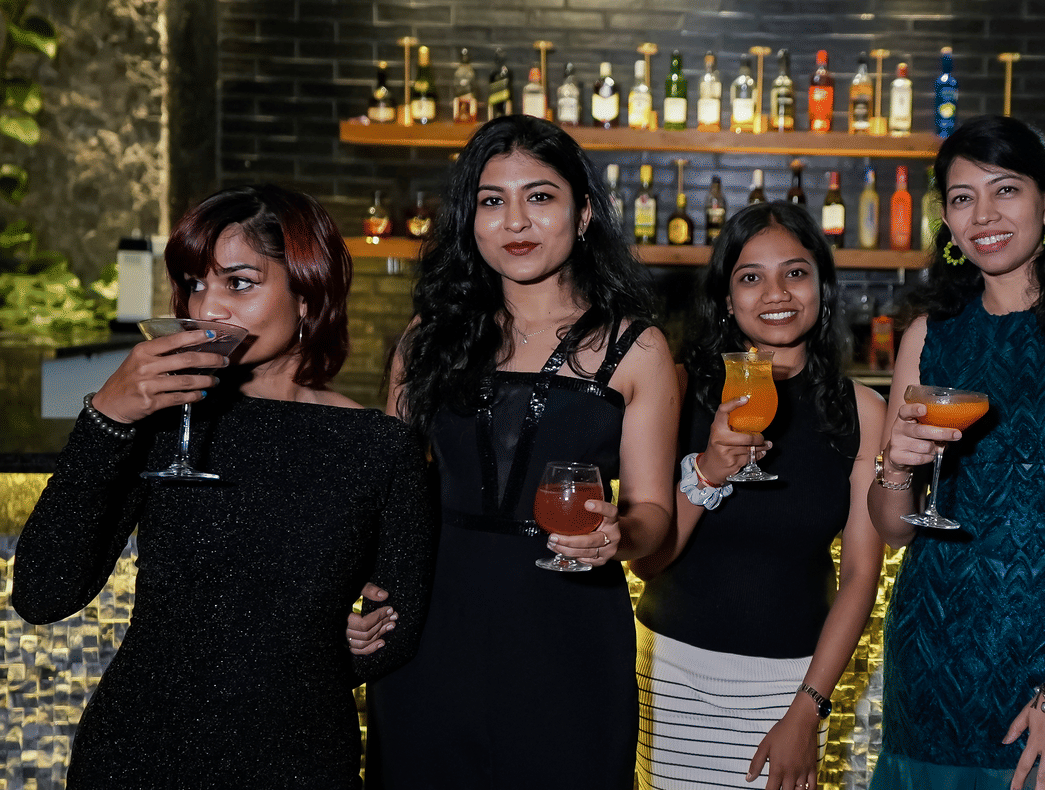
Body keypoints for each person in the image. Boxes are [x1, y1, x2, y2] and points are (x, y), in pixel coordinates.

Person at [10, 185, 432, 788]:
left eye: (239, 283)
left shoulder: (377, 446)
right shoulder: (162, 422)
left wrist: (339, 639)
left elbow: (398, 629)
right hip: (140, 756)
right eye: (193, 283)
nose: (206, 309)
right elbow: (43, 593)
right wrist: (107, 416)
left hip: (299, 761)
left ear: (309, 295)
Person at [356, 114, 677, 790]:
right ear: (470, 221)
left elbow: (654, 513)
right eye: (492, 201)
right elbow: (389, 493)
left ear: (583, 212)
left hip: (568, 632)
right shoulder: (427, 340)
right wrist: (359, 588)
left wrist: (619, 533)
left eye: (540, 197)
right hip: (434, 630)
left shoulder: (635, 349)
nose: (516, 222)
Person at [868, 115, 1045, 790]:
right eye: (963, 198)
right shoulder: (929, 334)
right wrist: (897, 469)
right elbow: (892, 530)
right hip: (930, 659)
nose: (984, 216)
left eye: (1006, 190)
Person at [629, 203, 887, 790]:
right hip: (675, 674)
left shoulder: (863, 411)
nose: (777, 293)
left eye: (796, 273)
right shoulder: (677, 389)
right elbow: (648, 563)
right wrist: (709, 471)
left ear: (822, 285)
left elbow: (860, 579)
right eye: (750, 277)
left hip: (793, 685)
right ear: (725, 297)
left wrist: (808, 709)